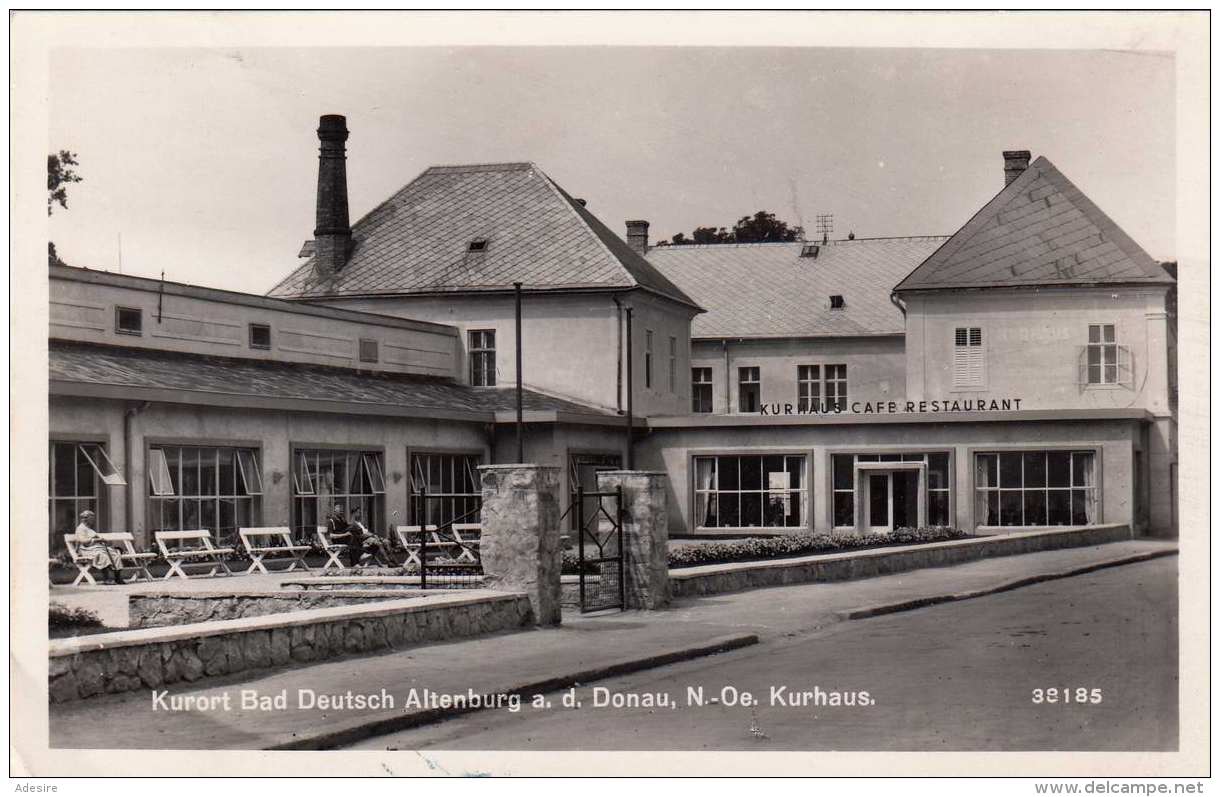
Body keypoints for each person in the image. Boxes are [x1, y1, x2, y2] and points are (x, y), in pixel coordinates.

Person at [73, 510, 127, 585]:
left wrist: (101, 540)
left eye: (92, 518)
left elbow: (97, 538)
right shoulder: (80, 529)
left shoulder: (89, 528)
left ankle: (117, 577)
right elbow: (83, 541)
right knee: (103, 556)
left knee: (115, 554)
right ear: (86, 519)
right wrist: (96, 540)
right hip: (86, 549)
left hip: (96, 548)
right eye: (91, 519)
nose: (93, 520)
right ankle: (106, 579)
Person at [325, 502, 359, 568]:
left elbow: (348, 528)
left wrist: (353, 516)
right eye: (339, 508)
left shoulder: (342, 520)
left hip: (345, 538)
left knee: (356, 536)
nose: (341, 510)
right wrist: (345, 534)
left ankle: (360, 557)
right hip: (337, 540)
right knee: (353, 538)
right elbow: (331, 535)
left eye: (342, 508)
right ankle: (355, 563)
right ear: (334, 510)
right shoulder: (331, 521)